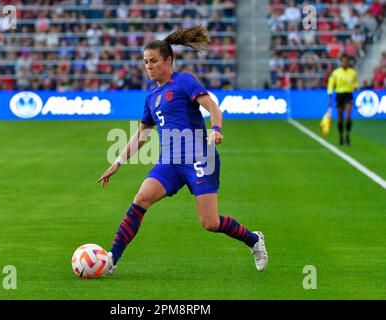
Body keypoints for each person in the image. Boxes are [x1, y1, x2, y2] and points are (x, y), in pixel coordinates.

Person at [97, 25, 268, 275]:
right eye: (145, 62)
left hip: (200, 157)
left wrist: (216, 129)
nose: (149, 66)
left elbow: (212, 106)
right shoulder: (152, 96)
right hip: (169, 161)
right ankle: (112, 259)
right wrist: (119, 161)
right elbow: (143, 133)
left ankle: (253, 240)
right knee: (140, 199)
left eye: (153, 61)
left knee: (210, 223)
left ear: (169, 60)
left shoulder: (184, 81)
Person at [327, 54, 358, 146]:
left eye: (347, 61)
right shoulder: (336, 72)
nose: (345, 63)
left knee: (348, 116)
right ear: (341, 62)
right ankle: (341, 136)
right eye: (343, 61)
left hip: (348, 94)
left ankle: (347, 135)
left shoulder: (352, 72)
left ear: (348, 62)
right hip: (339, 94)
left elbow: (355, 83)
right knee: (340, 117)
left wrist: (355, 87)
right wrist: (329, 96)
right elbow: (331, 84)